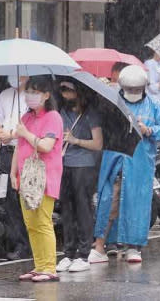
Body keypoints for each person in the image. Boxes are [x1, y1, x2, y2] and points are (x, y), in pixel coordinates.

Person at [90, 65, 160, 263]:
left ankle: (133, 247)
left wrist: (149, 130)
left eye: (137, 90)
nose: (133, 93)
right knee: (109, 200)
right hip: (114, 159)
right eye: (130, 89)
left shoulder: (154, 105)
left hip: (140, 162)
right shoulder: (112, 103)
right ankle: (101, 244)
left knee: (137, 203)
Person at [10, 76, 64, 283]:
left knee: (42, 221)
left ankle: (49, 267)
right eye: (28, 92)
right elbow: (18, 147)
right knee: (30, 223)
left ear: (47, 95)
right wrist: (14, 173)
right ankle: (39, 264)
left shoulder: (53, 117)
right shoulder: (26, 117)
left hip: (44, 177)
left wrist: (26, 133)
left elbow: (46, 146)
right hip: (26, 177)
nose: (30, 96)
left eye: (35, 92)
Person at [55, 81, 103, 274]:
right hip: (64, 164)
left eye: (69, 90)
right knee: (67, 209)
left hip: (84, 165)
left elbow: (98, 144)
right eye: (63, 90)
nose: (65, 94)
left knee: (83, 208)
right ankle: (68, 252)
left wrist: (76, 140)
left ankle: (83, 253)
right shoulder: (61, 112)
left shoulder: (90, 114)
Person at [0, 75, 31, 260]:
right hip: (6, 151)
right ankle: (19, 243)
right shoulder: (5, 95)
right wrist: (0, 132)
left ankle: (31, 242)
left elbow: (32, 125)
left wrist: (13, 134)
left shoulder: (32, 96)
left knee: (27, 197)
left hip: (25, 150)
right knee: (9, 199)